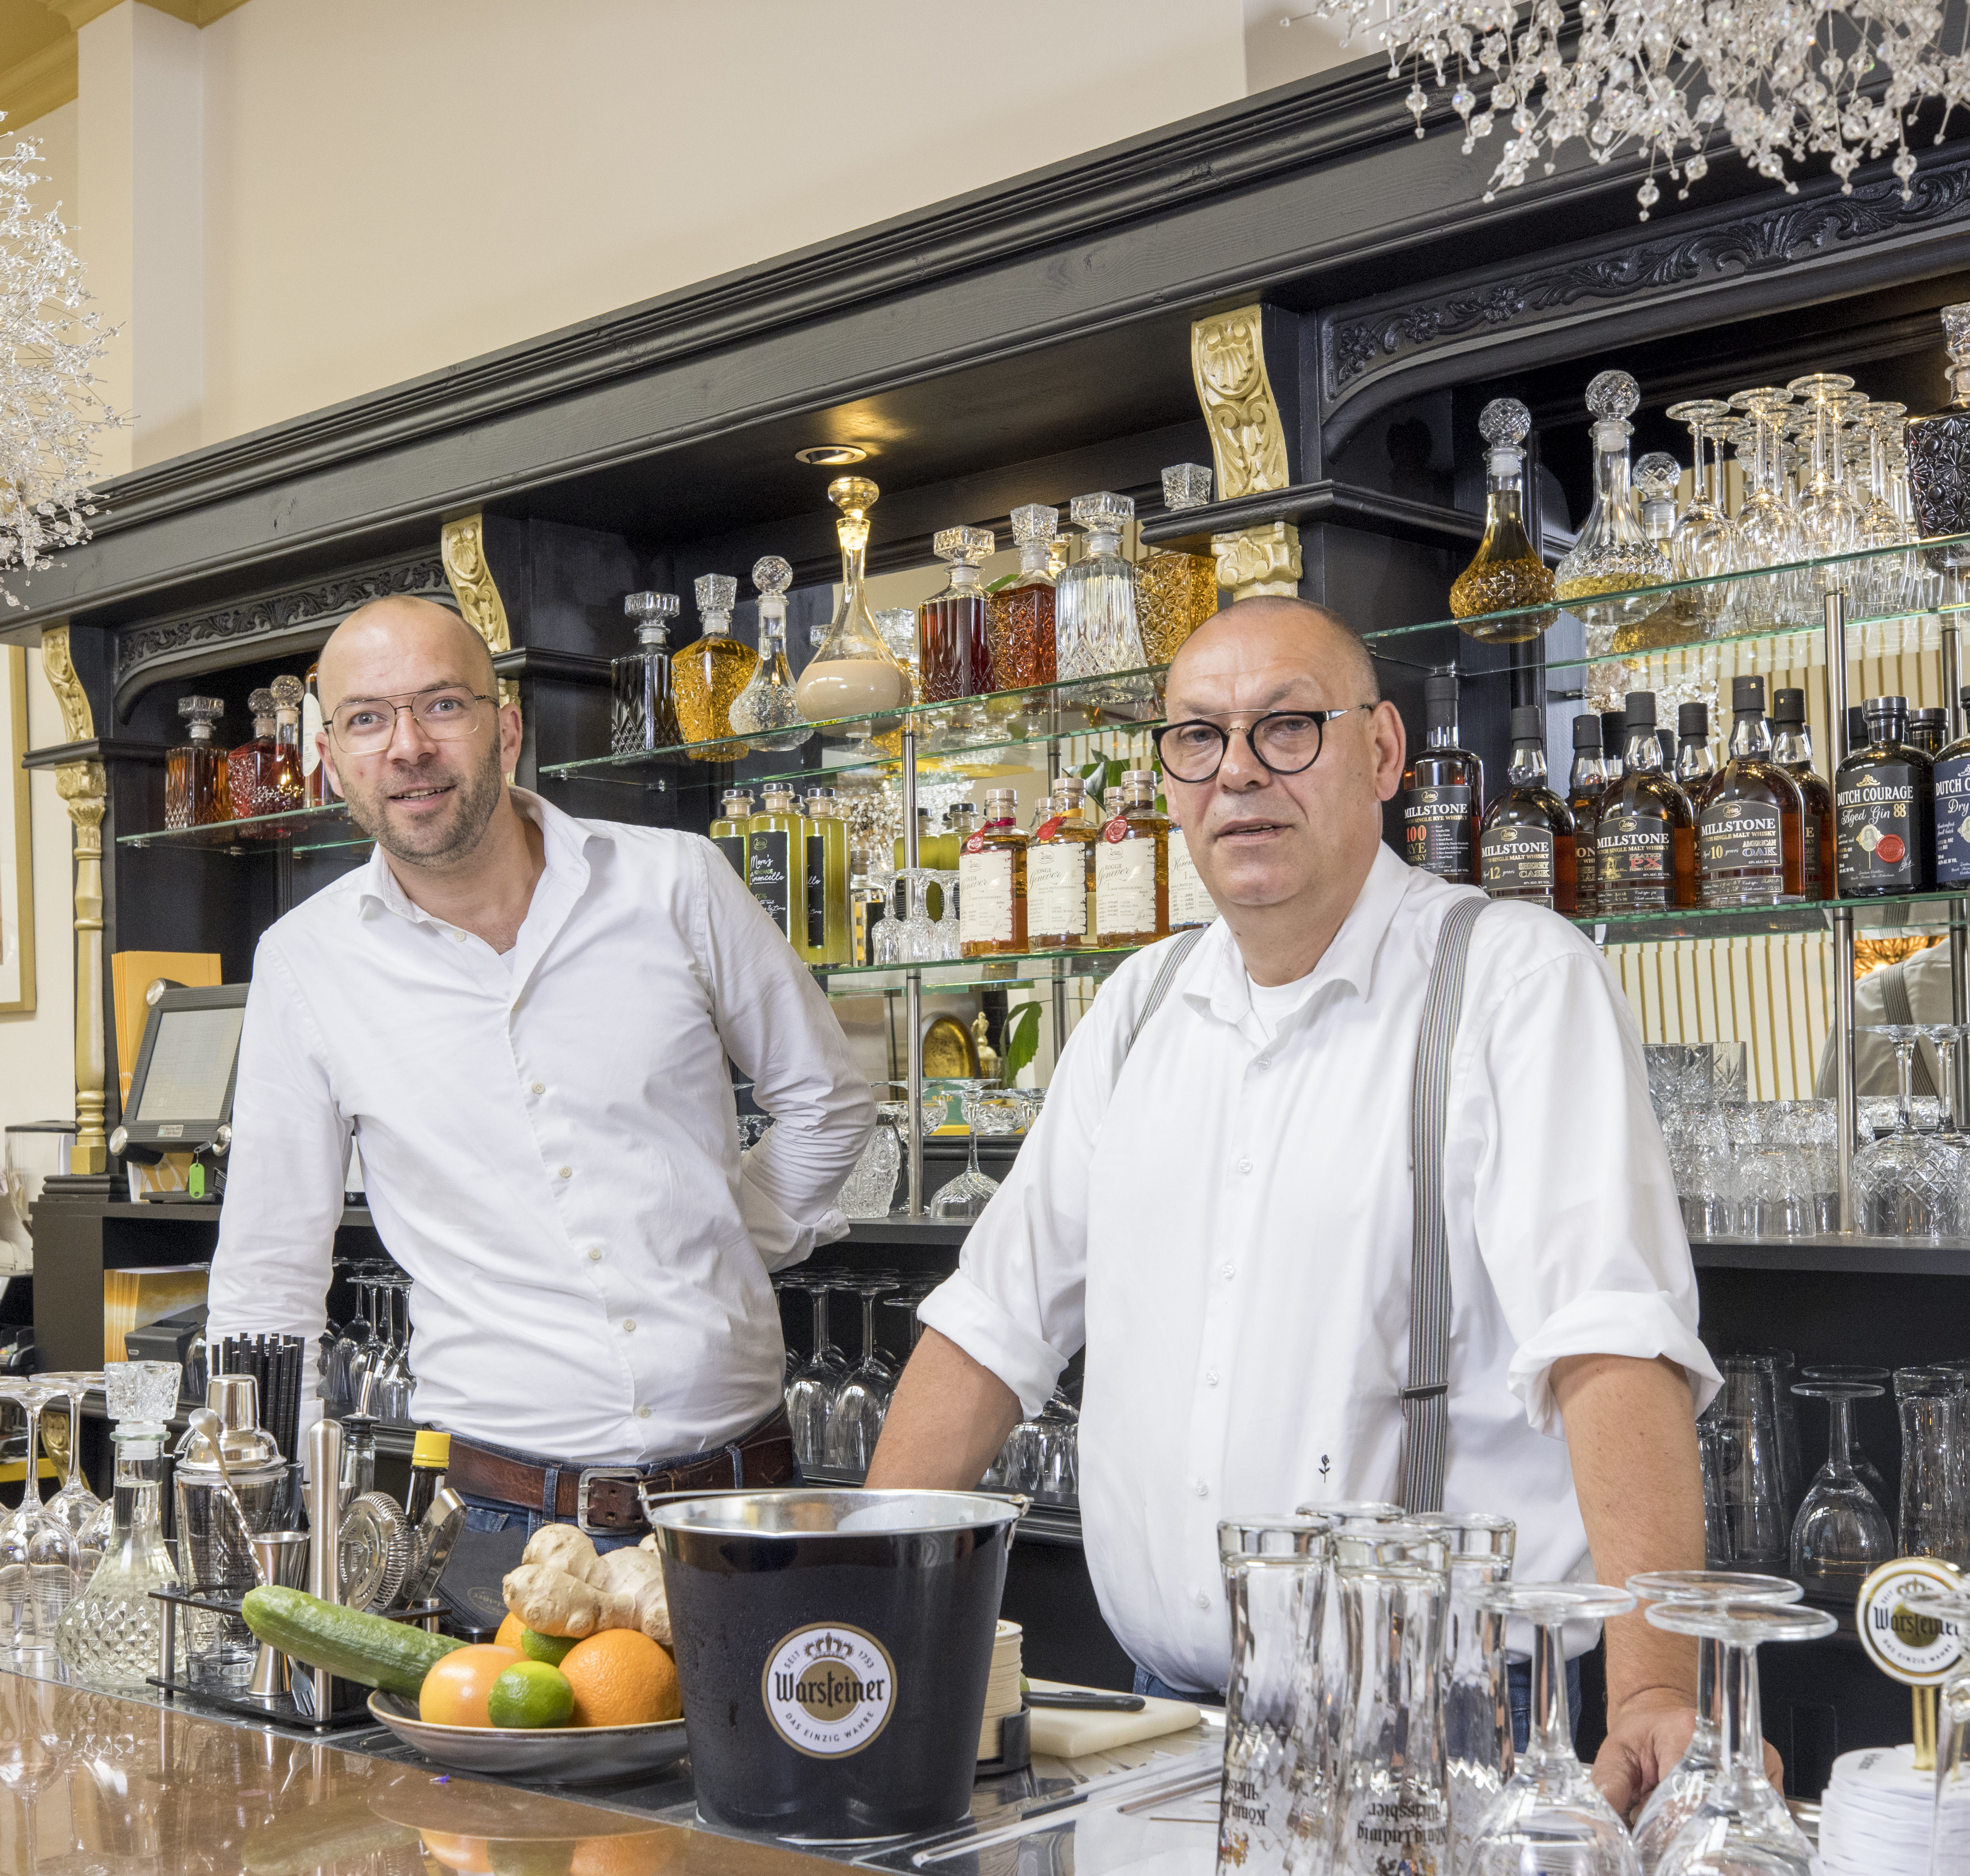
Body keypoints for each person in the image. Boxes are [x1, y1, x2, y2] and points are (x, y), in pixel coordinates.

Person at [866, 597, 1718, 1814]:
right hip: (1149, 1725)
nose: (1239, 775)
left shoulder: (1507, 977)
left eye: (1287, 728)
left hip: (1440, 1736)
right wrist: (858, 1595)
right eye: (1198, 738)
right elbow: (989, 1329)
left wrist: (1647, 1692)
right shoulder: (1138, 1006)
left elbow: (1611, 1340)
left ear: (1380, 753)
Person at [206, 593, 872, 1625]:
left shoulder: (675, 883)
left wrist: (722, 1237)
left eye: (442, 705)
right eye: (368, 719)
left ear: (507, 728)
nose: (410, 748)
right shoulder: (305, 962)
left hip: (739, 1499)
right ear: (331, 758)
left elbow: (828, 1096)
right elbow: (268, 1271)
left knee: (774, 1787)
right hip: (493, 1533)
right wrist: (258, 1519)